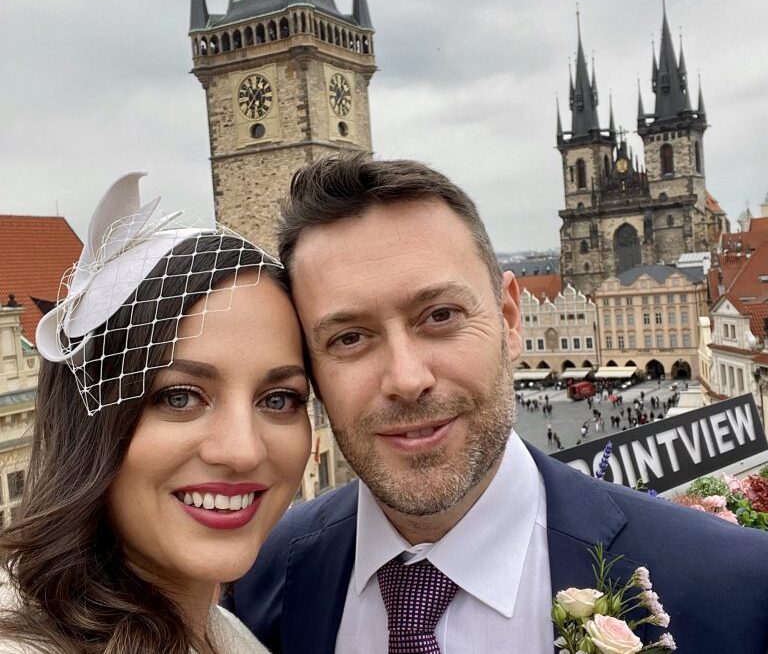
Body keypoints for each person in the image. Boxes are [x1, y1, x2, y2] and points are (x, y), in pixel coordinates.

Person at [228, 155, 768, 653]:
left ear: (510, 321)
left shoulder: (735, 589)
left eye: (440, 316)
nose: (407, 379)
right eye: (349, 338)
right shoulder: (258, 579)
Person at [0, 174, 311, 653]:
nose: (243, 451)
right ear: (91, 424)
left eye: (278, 399)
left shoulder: (223, 631)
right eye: (180, 397)